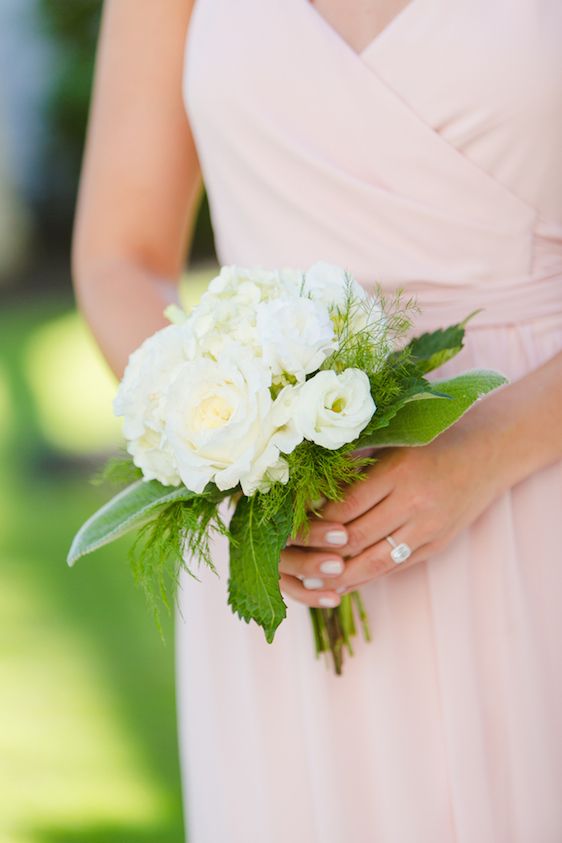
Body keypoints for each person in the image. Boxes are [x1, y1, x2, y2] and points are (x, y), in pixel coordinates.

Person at [72, 1, 562, 840]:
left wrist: (481, 451)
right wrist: (224, 433)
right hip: (282, 536)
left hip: (538, 483)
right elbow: (121, 254)